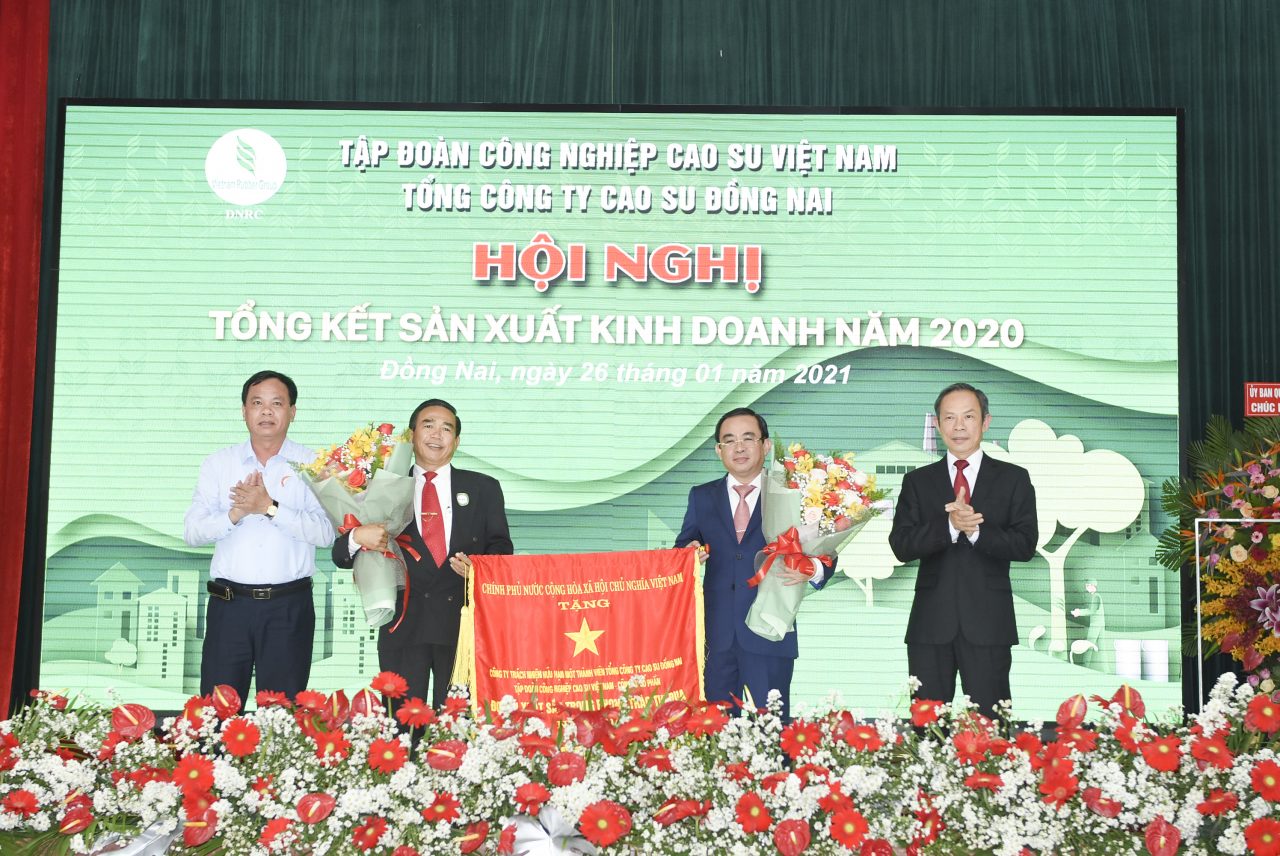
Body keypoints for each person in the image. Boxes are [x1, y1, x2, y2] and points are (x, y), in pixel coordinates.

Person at [333, 398, 513, 707]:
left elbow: (502, 550)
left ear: (456, 441)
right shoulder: (381, 485)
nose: (437, 434)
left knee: (457, 723)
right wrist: (358, 537)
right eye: (428, 425)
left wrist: (479, 569)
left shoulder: (483, 488)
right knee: (402, 722)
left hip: (461, 627)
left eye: (447, 428)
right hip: (403, 625)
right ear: (411, 435)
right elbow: (340, 556)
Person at [184, 370, 336, 706]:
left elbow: (326, 533)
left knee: (281, 716)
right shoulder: (218, 464)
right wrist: (236, 514)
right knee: (217, 713)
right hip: (229, 607)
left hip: (289, 608)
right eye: (257, 403)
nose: (266, 411)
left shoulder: (313, 464)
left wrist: (270, 508)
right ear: (244, 411)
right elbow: (192, 532)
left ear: (292, 412)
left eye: (276, 403)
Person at [888, 383, 1038, 719]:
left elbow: (1025, 544)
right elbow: (901, 545)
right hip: (930, 624)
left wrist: (976, 531)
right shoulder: (918, 482)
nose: (959, 426)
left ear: (985, 422)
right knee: (928, 727)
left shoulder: (1013, 479)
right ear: (937, 425)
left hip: (989, 623)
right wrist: (950, 526)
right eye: (949, 418)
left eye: (968, 417)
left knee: (989, 727)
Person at [675, 407, 833, 721]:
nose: (739, 447)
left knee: (772, 729)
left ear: (766, 445)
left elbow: (827, 549)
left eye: (748, 438)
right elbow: (683, 546)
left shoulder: (792, 493)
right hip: (716, 637)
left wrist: (812, 569)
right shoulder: (701, 497)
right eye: (729, 440)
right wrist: (687, 554)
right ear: (718, 450)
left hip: (771, 628)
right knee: (717, 730)